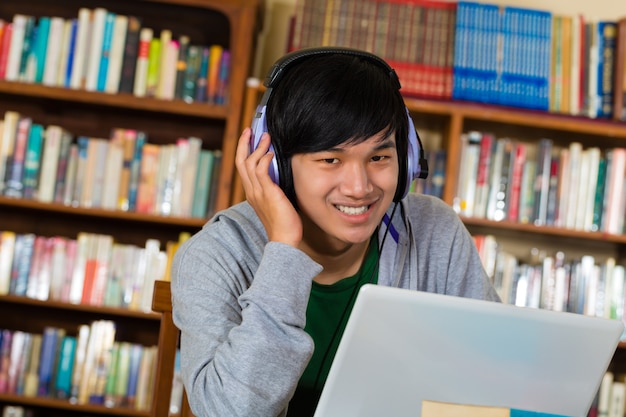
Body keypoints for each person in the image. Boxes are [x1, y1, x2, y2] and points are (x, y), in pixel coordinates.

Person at [170, 47, 500, 417]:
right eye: (331, 160)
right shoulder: (217, 255)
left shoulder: (434, 232)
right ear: (276, 166)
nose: (359, 187)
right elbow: (232, 412)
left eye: (379, 158)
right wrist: (283, 252)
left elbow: (491, 380)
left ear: (406, 160)